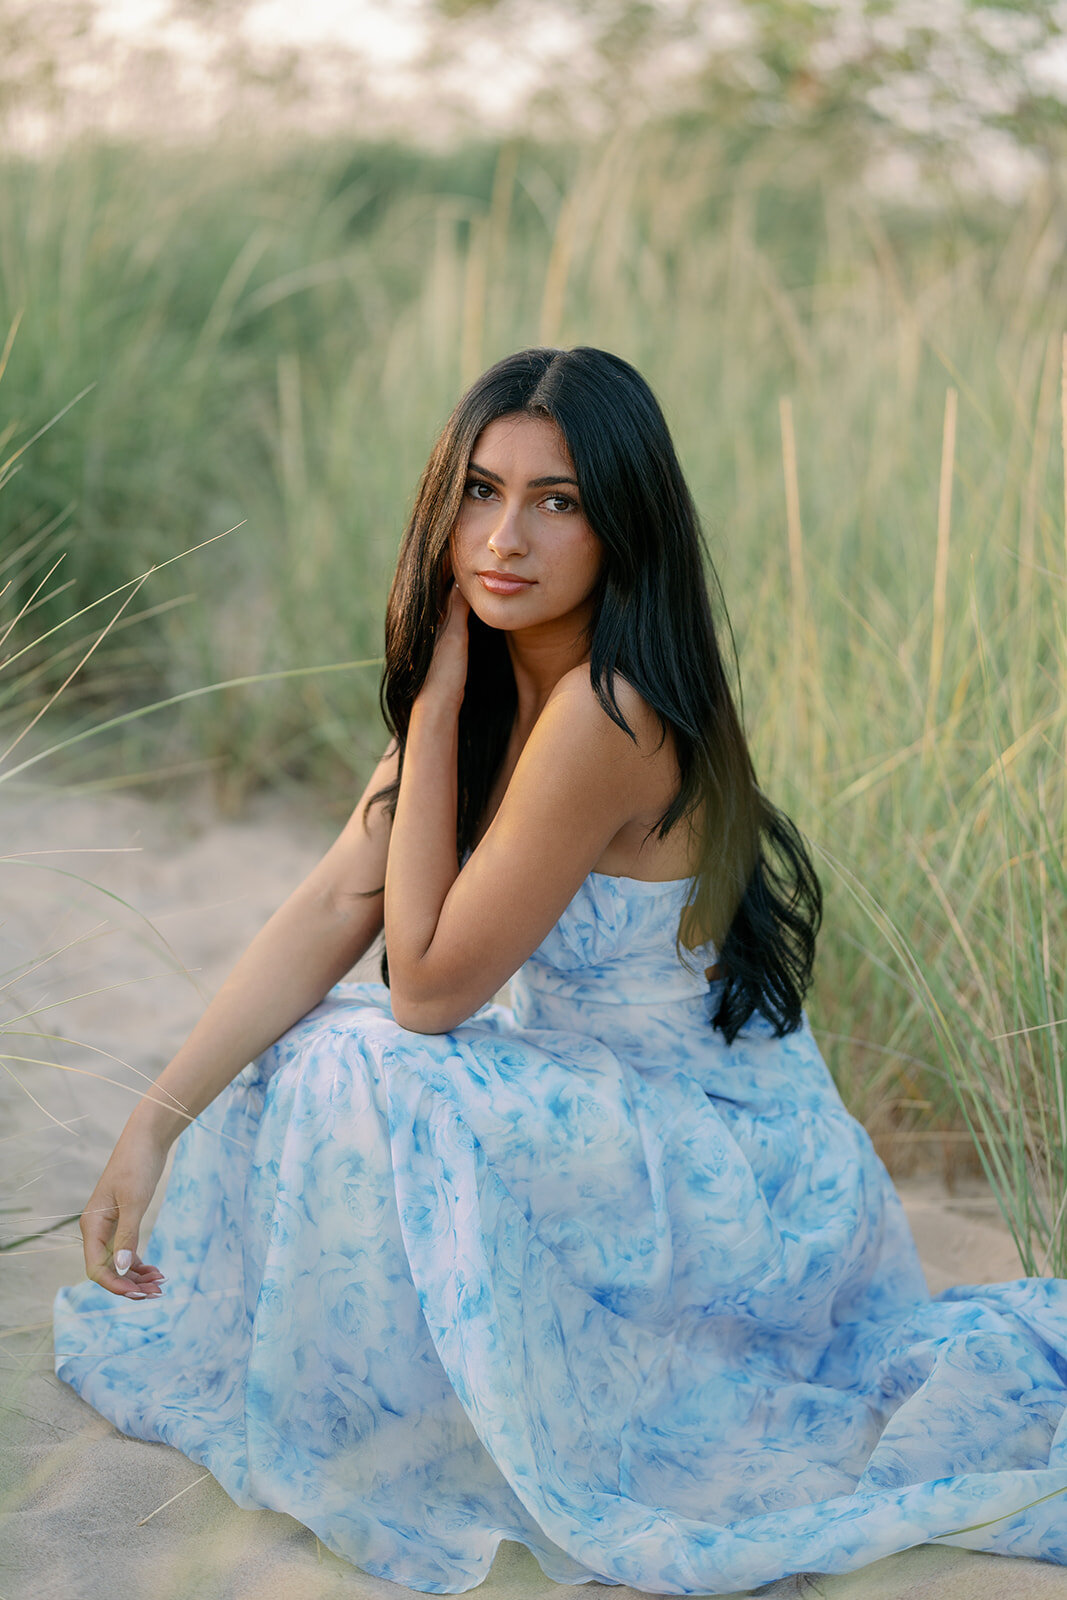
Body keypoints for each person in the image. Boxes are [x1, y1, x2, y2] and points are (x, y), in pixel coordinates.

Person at [54, 347, 1067, 1595]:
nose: (504, 537)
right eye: (480, 491)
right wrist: (152, 1126)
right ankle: (396, 1408)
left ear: (620, 524)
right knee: (315, 1040)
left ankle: (412, 1427)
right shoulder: (499, 687)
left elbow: (425, 992)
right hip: (595, 1120)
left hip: (720, 1169)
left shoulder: (608, 711)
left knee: (370, 1047)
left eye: (558, 501)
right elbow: (334, 898)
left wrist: (427, 716)